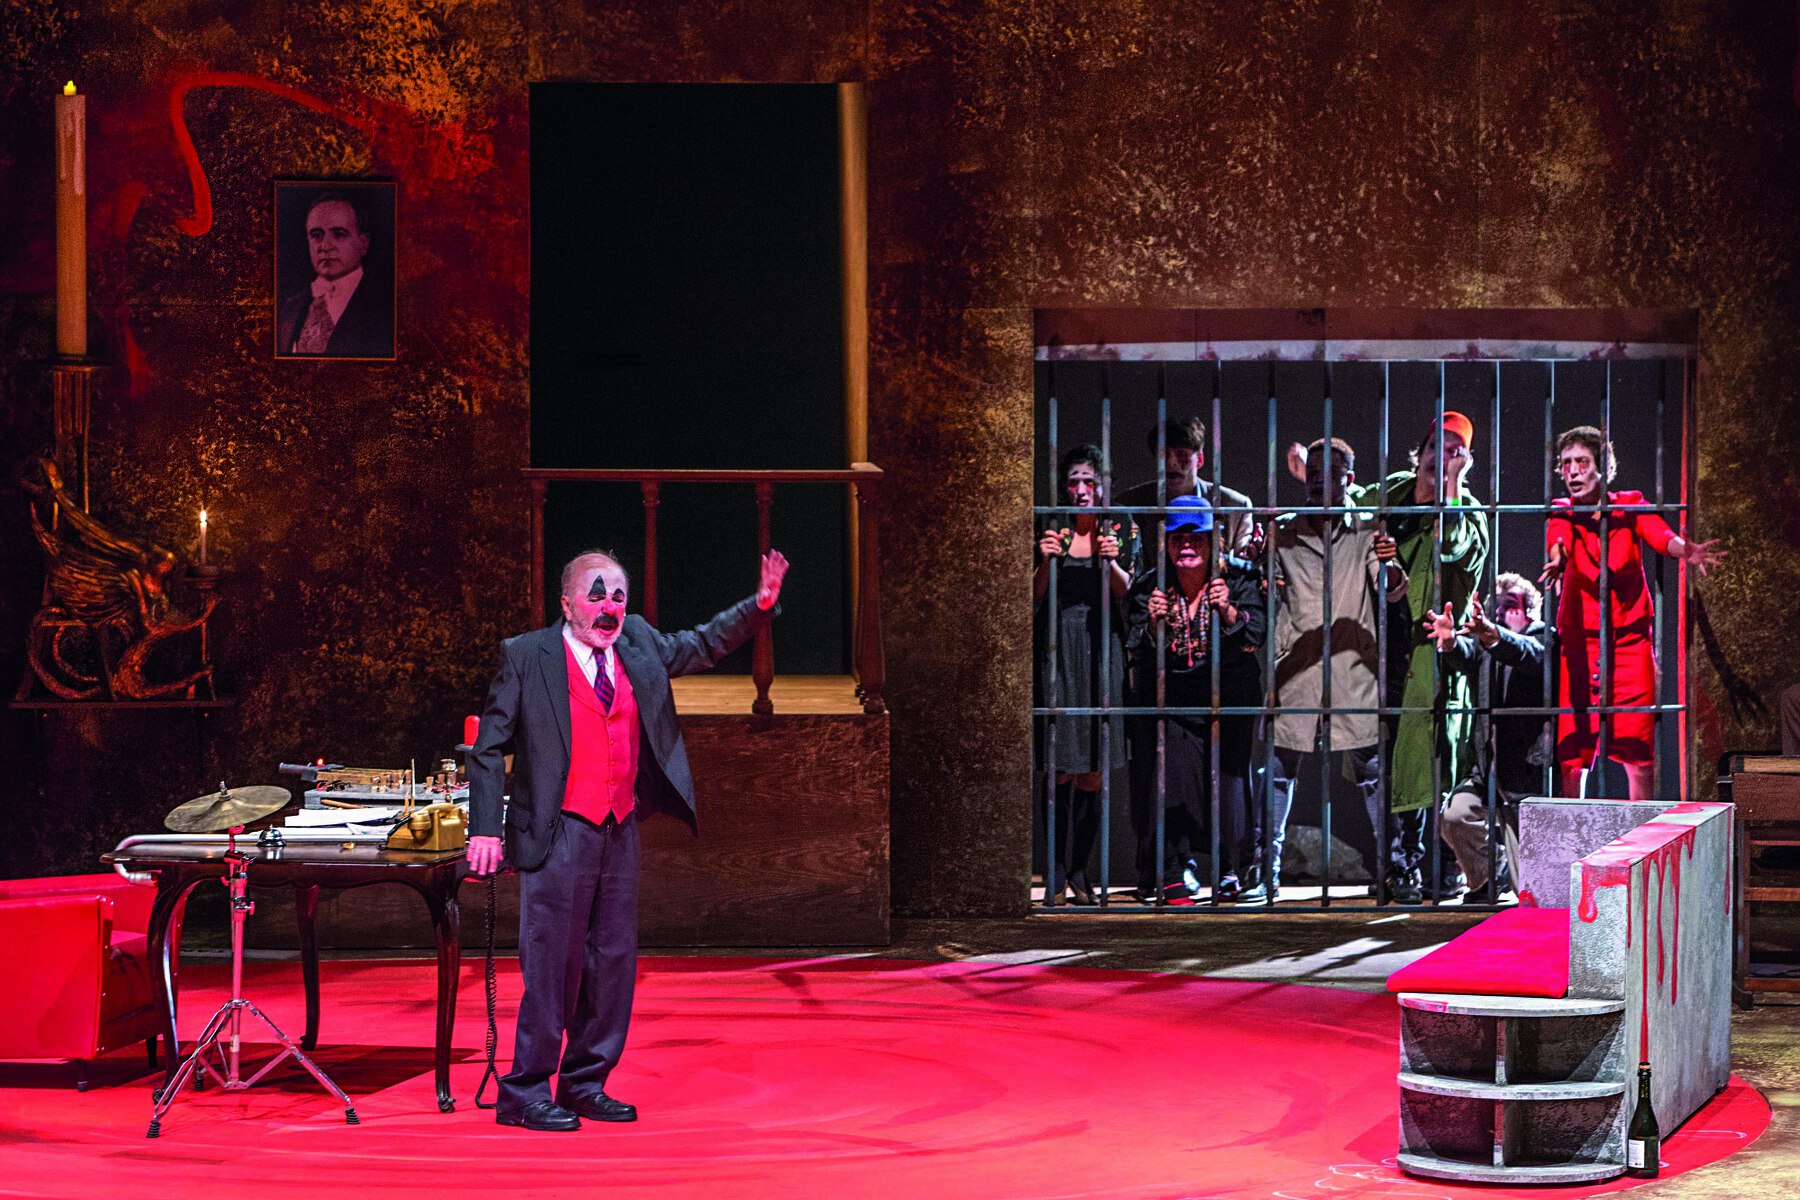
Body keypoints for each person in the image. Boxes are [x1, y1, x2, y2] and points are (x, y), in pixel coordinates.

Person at [466, 547, 789, 1131]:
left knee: (611, 963)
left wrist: (759, 606)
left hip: (618, 829)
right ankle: (525, 1092)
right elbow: (488, 747)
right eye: (596, 595)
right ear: (567, 603)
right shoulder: (526, 656)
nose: (610, 607)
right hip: (558, 831)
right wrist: (486, 827)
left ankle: (585, 1082)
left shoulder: (636, 643)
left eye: (617, 595)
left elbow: (702, 643)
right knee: (552, 967)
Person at [1260, 438, 1406, 904]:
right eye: (1315, 469)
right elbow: (1261, 585)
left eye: (1333, 469)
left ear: (1350, 478)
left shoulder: (1366, 527)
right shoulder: (1282, 530)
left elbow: (1392, 590)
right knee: (1279, 771)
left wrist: (1390, 567)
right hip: (1296, 668)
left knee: (1373, 771)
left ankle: (1392, 871)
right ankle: (1264, 873)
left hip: (1351, 666)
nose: (1321, 476)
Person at [1542, 426, 1722, 800]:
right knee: (1572, 751)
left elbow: (1660, 535)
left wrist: (1683, 549)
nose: (1573, 471)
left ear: (1602, 467)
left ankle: (1641, 845)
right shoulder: (1561, 511)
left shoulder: (1628, 504)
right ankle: (1572, 841)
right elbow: (1556, 541)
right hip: (1579, 645)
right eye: (1566, 464)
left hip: (1629, 642)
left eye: (1582, 462)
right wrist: (1557, 560)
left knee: (1637, 749)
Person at [1358, 411, 1489, 904]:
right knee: (1383, 761)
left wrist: (1449, 488)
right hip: (1380, 648)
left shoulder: (1471, 511)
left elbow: (1454, 546)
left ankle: (1440, 869)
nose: (1444, 456)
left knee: (1430, 763)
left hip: (1433, 655)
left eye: (1457, 450)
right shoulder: (1393, 490)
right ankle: (1396, 868)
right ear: (1420, 452)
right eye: (1438, 447)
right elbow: (1349, 509)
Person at [1125, 494, 1265, 901]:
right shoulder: (1150, 586)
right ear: (1166, 543)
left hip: (1228, 697)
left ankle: (1233, 870)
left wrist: (1230, 615)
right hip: (1176, 698)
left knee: (1230, 784)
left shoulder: (1238, 579)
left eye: (1197, 538)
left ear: (1213, 541)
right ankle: (1175, 867)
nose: (1187, 546)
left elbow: (1256, 636)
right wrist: (1153, 626)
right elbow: (1134, 644)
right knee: (1175, 781)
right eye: (1177, 538)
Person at [1035, 444, 1134, 904]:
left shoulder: (1121, 526)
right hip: (1058, 647)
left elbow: (1130, 593)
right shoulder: (1046, 524)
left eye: (1088, 481)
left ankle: (1080, 871)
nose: (1080, 489)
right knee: (1058, 767)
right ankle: (1053, 869)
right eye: (1073, 481)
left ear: (1102, 487)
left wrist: (1110, 560)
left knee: (1093, 768)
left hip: (1101, 649)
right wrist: (1045, 563)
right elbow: (1029, 599)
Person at [1422, 574, 1550, 903]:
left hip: (1526, 773)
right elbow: (1467, 653)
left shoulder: (1544, 637)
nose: (1501, 614)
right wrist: (1449, 640)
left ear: (1530, 612)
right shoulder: (1488, 641)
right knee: (1455, 815)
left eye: (1510, 607)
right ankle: (1487, 878)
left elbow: (1527, 655)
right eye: (1498, 607)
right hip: (1488, 770)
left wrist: (1492, 636)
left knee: (1532, 894)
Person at [1118, 416, 1256, 559]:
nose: (1171, 463)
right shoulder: (1128, 505)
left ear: (1200, 460)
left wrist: (1253, 558)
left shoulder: (1235, 507)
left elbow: (1242, 570)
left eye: (1181, 454)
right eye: (1164, 455)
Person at [277, 190, 394, 358]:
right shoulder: (289, 308)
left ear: (364, 243)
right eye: (316, 235)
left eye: (339, 234)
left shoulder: (387, 307)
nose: (325, 245)